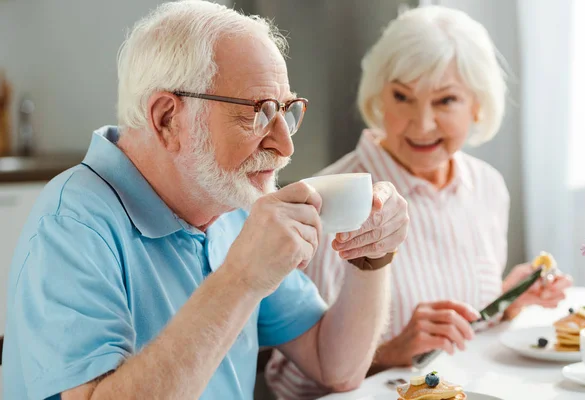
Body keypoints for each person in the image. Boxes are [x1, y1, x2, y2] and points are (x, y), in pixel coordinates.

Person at [1, 2, 410, 399]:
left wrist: (370, 257)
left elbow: (335, 366)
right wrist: (241, 279)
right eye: (259, 112)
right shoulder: (73, 223)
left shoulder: (227, 202)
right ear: (167, 118)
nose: (285, 144)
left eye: (285, 110)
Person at [266, 6, 572, 399]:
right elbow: (287, 384)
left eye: (445, 101)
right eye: (402, 96)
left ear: (477, 104)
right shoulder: (330, 201)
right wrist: (389, 353)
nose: (422, 123)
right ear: (379, 96)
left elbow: (460, 341)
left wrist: (507, 302)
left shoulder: (488, 188)